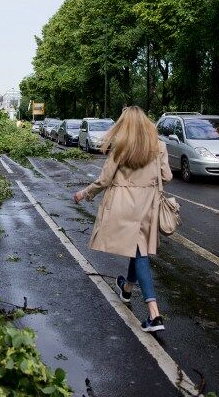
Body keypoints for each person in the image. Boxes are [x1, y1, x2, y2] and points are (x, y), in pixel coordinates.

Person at [73, 106, 172, 332]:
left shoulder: (121, 146)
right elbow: (167, 176)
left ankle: (154, 314)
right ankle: (127, 289)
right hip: (148, 207)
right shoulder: (159, 145)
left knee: (139, 252)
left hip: (125, 205)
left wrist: (84, 193)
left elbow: (104, 180)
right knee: (137, 248)